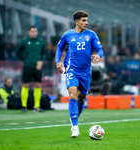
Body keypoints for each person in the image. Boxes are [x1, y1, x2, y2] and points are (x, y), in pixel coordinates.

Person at [55, 10, 104, 138]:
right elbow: (59, 48)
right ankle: (75, 128)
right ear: (76, 22)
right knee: (72, 95)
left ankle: (74, 119)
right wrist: (58, 62)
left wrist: (99, 55)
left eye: (87, 20)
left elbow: (100, 49)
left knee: (81, 98)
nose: (86, 23)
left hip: (86, 72)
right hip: (72, 70)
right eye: (83, 20)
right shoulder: (68, 35)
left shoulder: (91, 35)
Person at [15, 25, 47, 112]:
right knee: (26, 85)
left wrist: (41, 61)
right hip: (27, 66)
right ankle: (23, 106)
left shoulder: (41, 42)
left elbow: (44, 53)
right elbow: (17, 51)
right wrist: (24, 58)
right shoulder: (24, 41)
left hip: (37, 67)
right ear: (29, 32)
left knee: (38, 85)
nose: (34, 33)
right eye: (32, 31)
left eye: (35, 31)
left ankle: (36, 106)